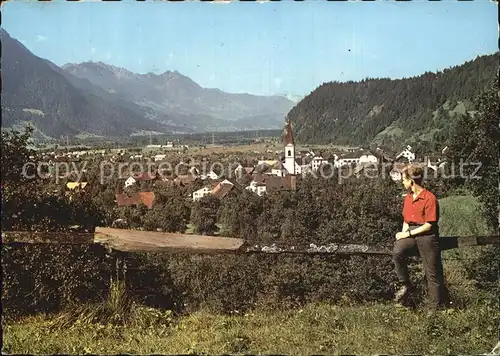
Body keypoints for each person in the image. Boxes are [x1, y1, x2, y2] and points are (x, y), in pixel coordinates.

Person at [393, 164, 447, 309]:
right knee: (398, 252)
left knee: (432, 274)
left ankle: (434, 309)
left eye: (404, 179)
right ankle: (406, 284)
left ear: (411, 181)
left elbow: (429, 225)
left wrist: (408, 233)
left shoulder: (429, 198)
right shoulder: (408, 198)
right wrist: (403, 235)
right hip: (411, 233)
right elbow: (406, 220)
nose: (402, 182)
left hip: (427, 235)